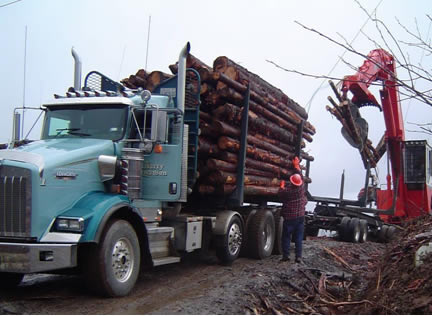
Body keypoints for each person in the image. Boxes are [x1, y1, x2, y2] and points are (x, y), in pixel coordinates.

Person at [278, 163, 307, 263]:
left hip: (290, 218)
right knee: (298, 238)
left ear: (292, 182)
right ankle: (298, 257)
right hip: (300, 217)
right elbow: (301, 178)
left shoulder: (288, 191)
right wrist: (297, 166)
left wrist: (281, 186)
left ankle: (286, 256)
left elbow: (280, 193)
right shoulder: (301, 188)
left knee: (286, 237)